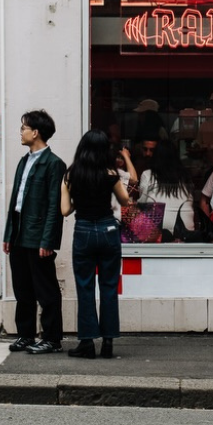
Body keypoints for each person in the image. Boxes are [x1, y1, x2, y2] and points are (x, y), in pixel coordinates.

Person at [60, 130, 136, 359]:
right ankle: (108, 341)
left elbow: (65, 210)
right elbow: (125, 201)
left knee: (85, 288)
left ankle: (86, 342)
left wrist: (78, 202)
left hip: (83, 231)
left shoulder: (71, 175)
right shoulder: (110, 173)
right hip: (107, 230)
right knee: (109, 287)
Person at [4, 109, 68, 354]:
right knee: (22, 288)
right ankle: (26, 335)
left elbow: (55, 206)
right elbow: (15, 201)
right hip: (20, 231)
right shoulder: (24, 160)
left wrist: (48, 239)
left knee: (46, 288)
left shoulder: (54, 164)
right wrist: (9, 234)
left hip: (38, 233)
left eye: (24, 127)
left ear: (36, 132)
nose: (21, 131)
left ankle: (52, 338)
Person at [138, 140, 200, 241]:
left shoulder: (148, 175)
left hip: (158, 234)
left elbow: (142, 204)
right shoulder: (185, 175)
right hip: (186, 232)